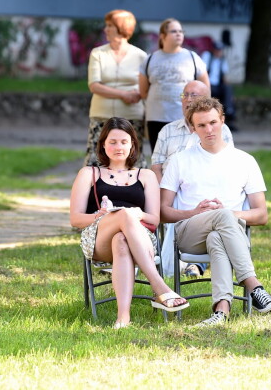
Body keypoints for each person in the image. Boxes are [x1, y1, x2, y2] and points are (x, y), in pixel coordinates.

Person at [160, 97, 271, 326]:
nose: (209, 129)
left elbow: (261, 215)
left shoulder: (245, 161)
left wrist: (228, 215)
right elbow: (163, 212)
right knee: (224, 216)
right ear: (193, 129)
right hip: (189, 233)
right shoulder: (179, 161)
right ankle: (254, 287)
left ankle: (221, 311)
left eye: (213, 122)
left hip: (226, 234)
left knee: (219, 233)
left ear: (223, 121)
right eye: (202, 125)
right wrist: (195, 212)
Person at [70, 117, 189, 328]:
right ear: (103, 144)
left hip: (141, 238)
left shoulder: (146, 176)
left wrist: (137, 214)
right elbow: (76, 219)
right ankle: (160, 287)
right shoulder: (89, 173)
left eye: (124, 142)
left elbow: (154, 219)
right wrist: (103, 214)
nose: (118, 147)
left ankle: (123, 318)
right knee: (123, 217)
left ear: (133, 145)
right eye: (113, 142)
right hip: (98, 238)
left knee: (122, 240)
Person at [150, 80, 234, 278]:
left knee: (208, 210)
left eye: (194, 95)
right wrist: (165, 193)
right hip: (169, 193)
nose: (188, 99)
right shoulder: (167, 131)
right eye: (185, 95)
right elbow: (156, 166)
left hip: (203, 192)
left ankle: (195, 265)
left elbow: (225, 165)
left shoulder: (221, 131)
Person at [84, 10, 147, 167]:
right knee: (96, 158)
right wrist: (123, 94)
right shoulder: (97, 53)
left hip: (131, 116)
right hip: (101, 115)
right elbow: (94, 85)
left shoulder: (141, 56)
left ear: (122, 27)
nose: (106, 29)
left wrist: (138, 94)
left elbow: (146, 87)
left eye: (110, 26)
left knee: (132, 160)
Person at [139, 18, 209, 152]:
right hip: (156, 118)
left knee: (183, 156)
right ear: (162, 36)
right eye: (174, 31)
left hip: (184, 118)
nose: (179, 34)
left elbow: (205, 90)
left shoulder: (192, 58)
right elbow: (143, 92)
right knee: (159, 157)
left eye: (181, 31)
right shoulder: (150, 59)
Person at [201, 41, 237, 131]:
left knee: (228, 89)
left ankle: (229, 110)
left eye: (220, 50)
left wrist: (230, 94)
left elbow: (225, 77)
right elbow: (202, 73)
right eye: (217, 50)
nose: (218, 52)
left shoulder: (223, 60)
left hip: (218, 85)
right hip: (208, 84)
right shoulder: (207, 56)